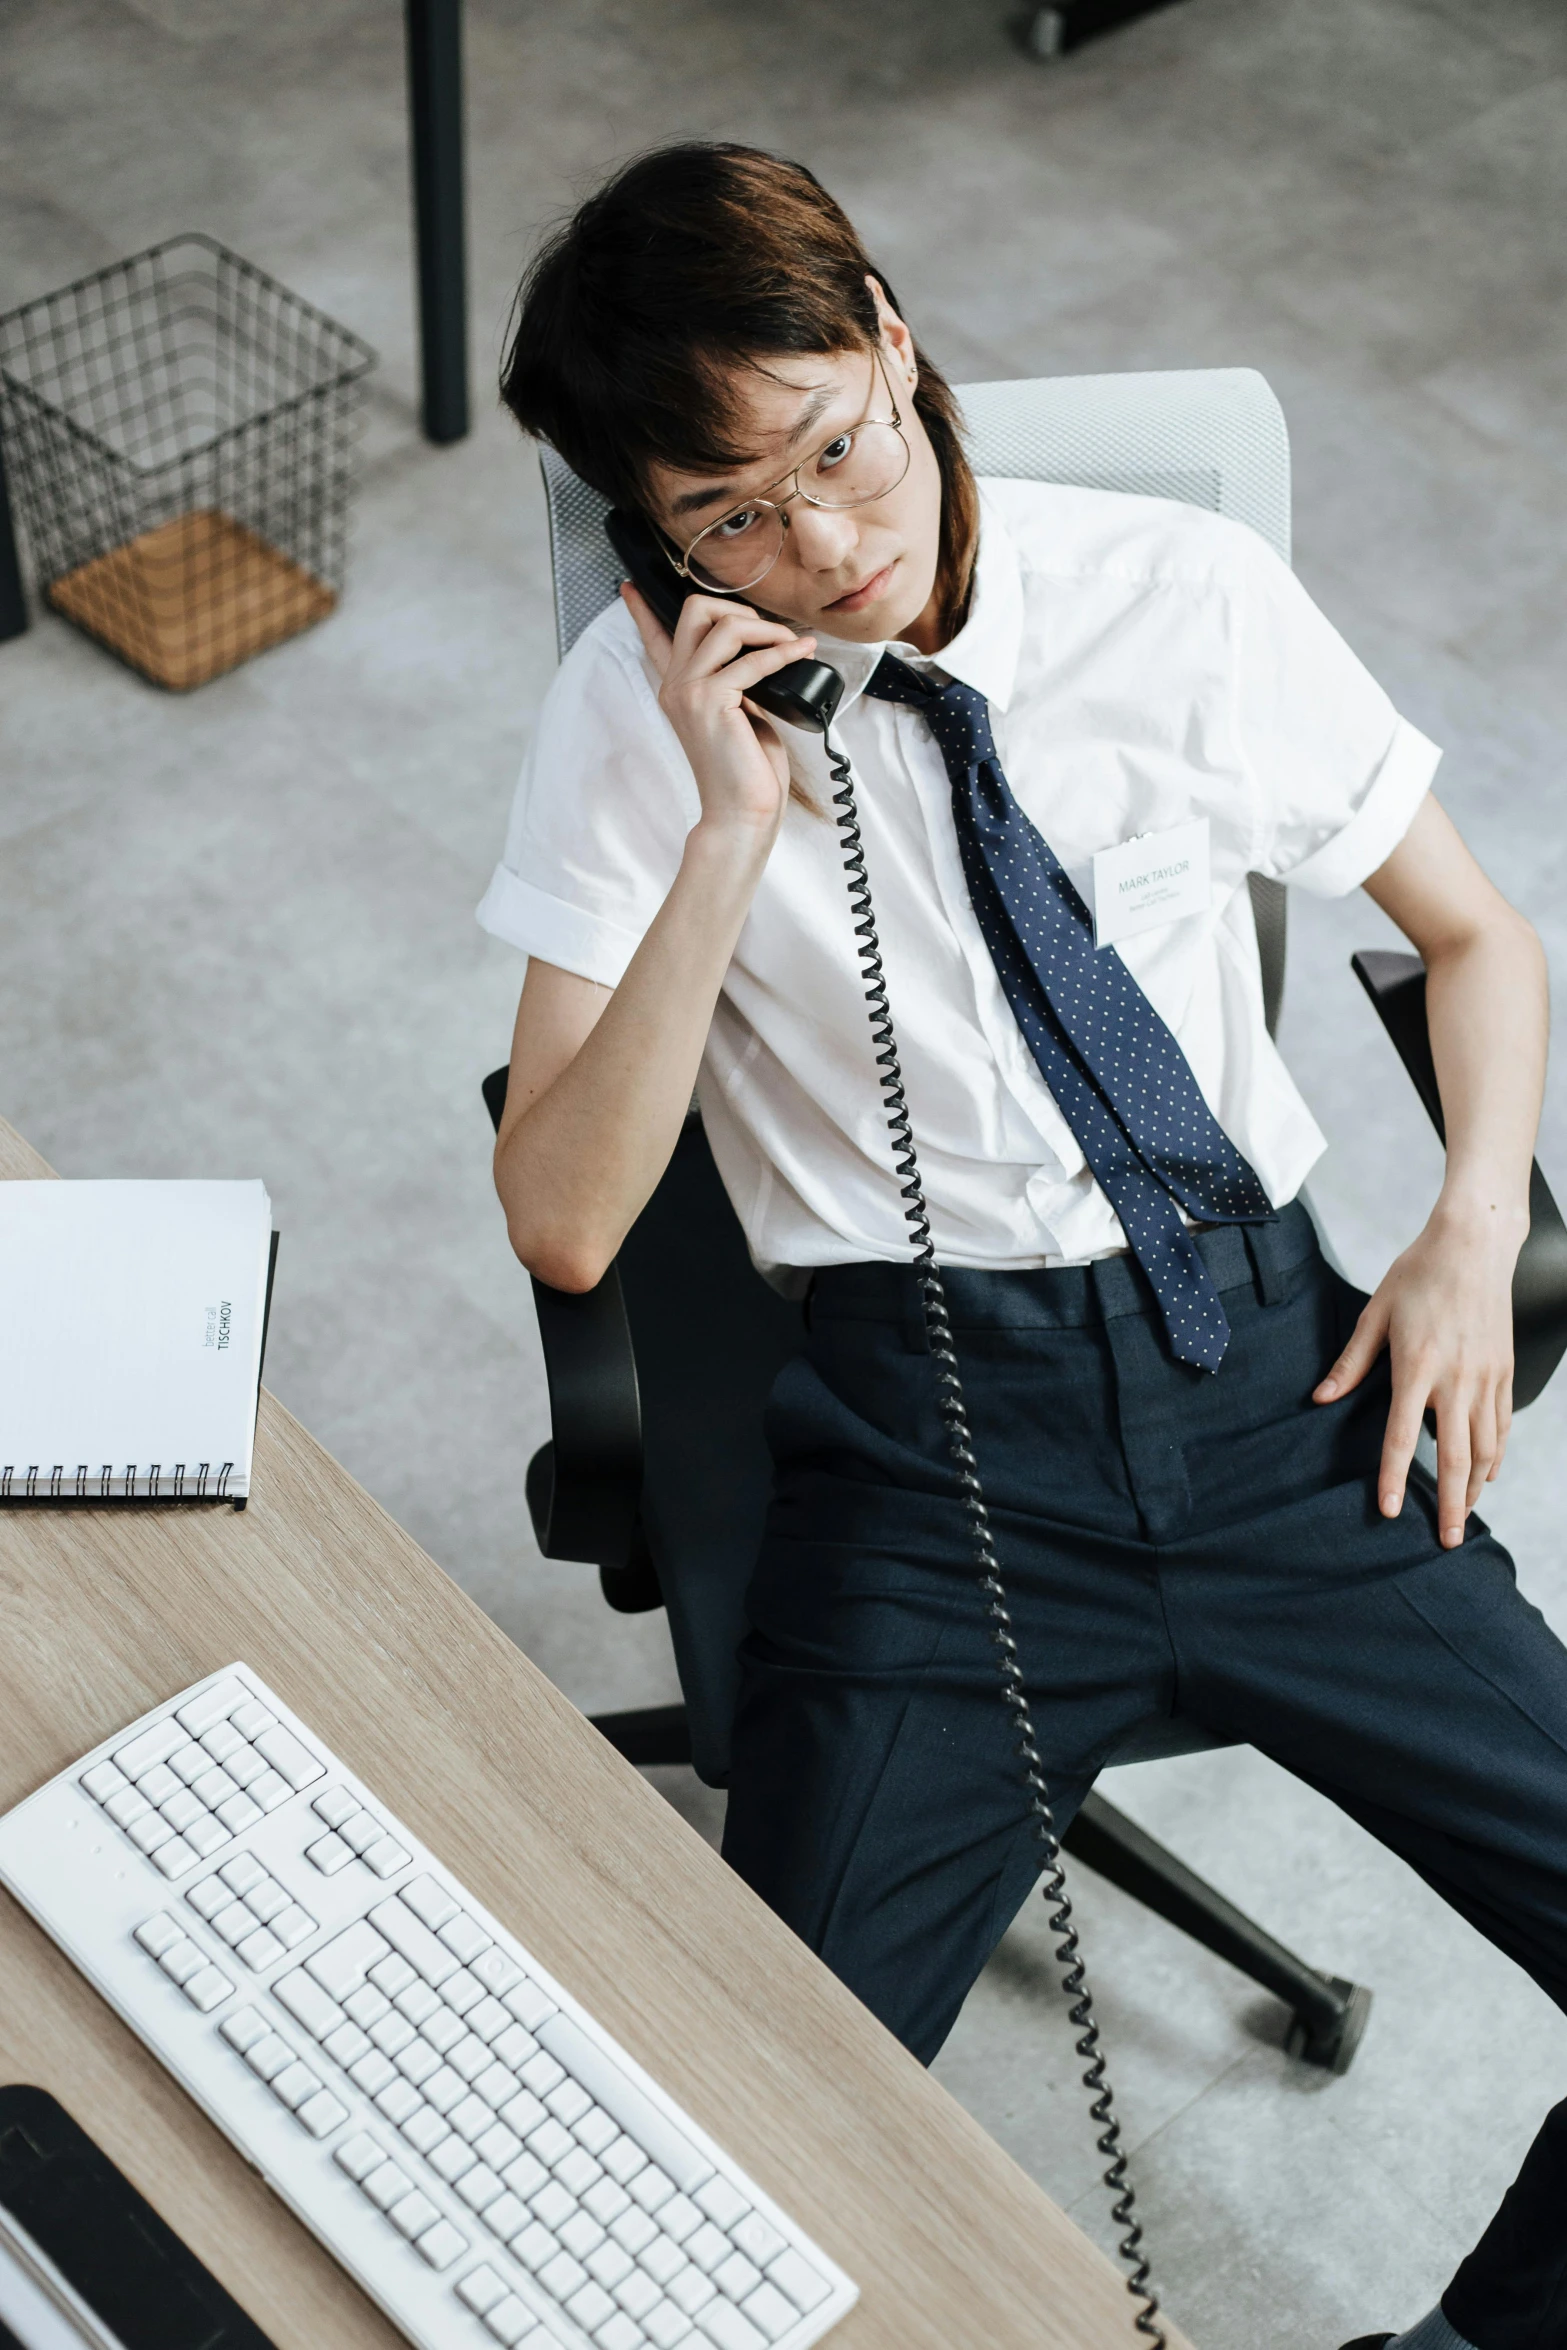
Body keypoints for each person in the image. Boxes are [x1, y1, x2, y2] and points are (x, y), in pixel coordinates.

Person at [480, 141, 1564, 2350]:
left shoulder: (1184, 598)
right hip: (930, 1440)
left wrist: (1463, 1221)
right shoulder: (635, 715)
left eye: (837, 453)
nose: (828, 545)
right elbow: (566, 1209)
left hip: (1277, 1387)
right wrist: (722, 828)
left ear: (894, 337)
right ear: (654, 546)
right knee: (714, 2168)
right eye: (731, 519)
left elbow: (1471, 931)